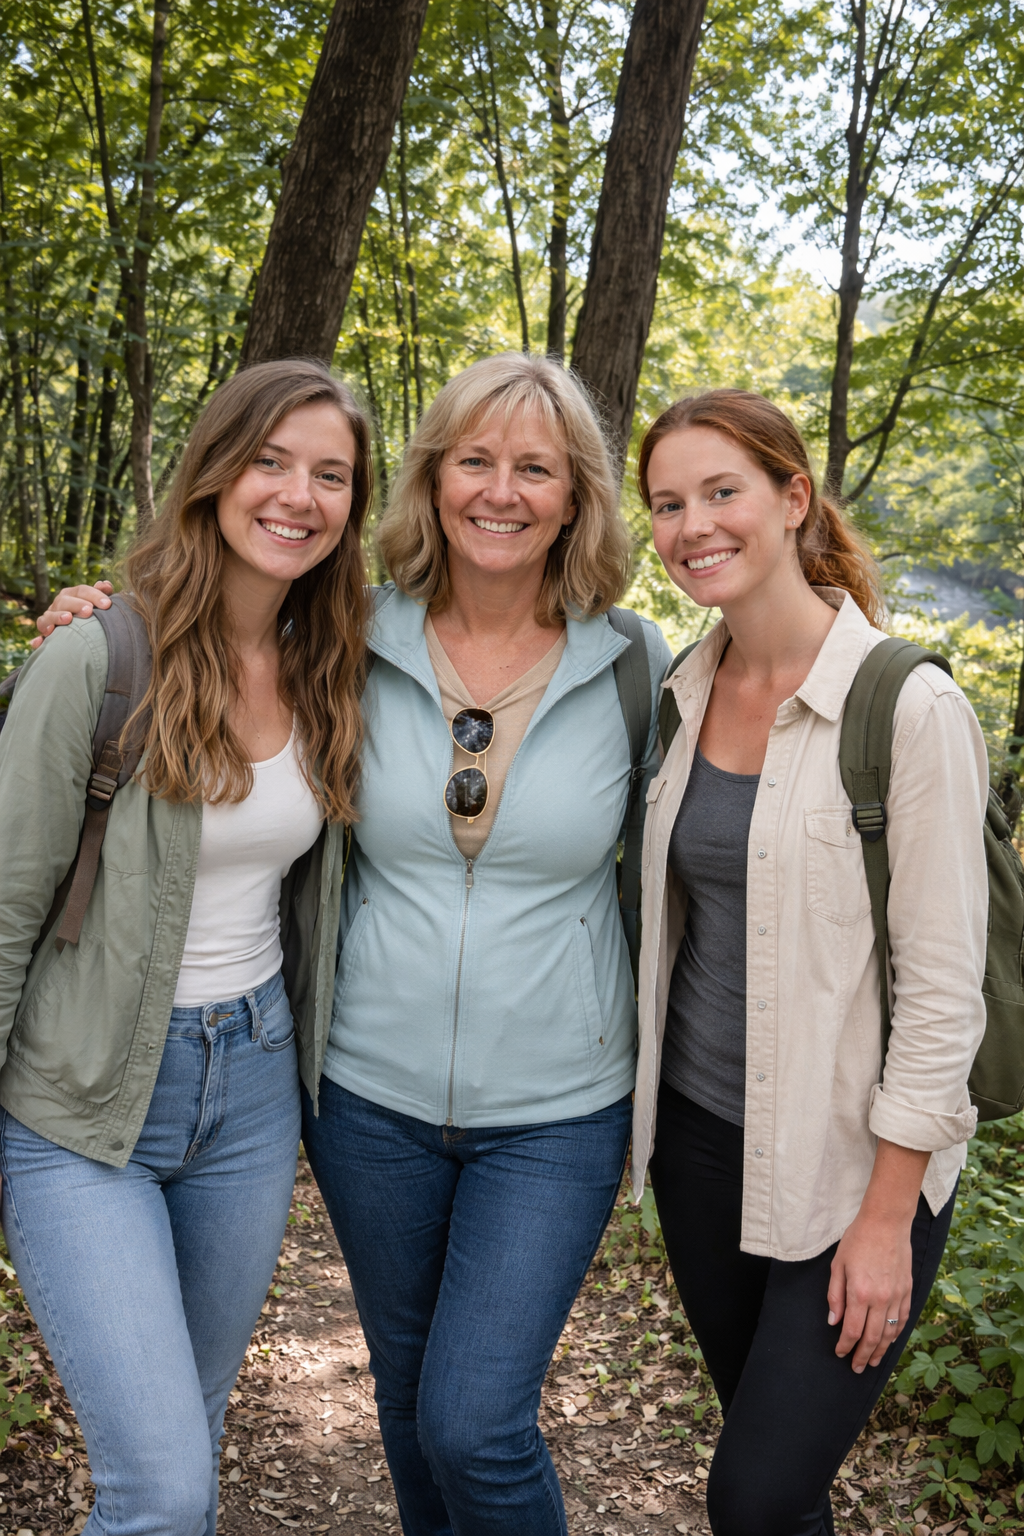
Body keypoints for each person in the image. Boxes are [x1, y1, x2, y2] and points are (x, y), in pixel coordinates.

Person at [36, 351, 670, 1536]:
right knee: (399, 1396)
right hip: (359, 1098)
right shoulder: (348, 635)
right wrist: (88, 617)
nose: (500, 490)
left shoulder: (636, 666)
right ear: (431, 483)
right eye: (473, 460)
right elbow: (186, 640)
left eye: (535, 468)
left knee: (474, 1419)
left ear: (575, 495)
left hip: (552, 1104)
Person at [0, 358, 372, 1536]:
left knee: (192, 1439)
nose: (297, 495)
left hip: (253, 1095)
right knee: (157, 1489)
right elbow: (6, 909)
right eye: (270, 461)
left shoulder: (332, 665)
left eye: (331, 475)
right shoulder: (97, 660)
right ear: (215, 472)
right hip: (83, 1099)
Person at [632, 389, 988, 1536]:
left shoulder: (907, 704)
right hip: (697, 1143)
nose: (693, 526)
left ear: (793, 499)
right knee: (779, 1490)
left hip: (853, 1167)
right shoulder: (679, 694)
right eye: (668, 504)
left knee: (754, 1493)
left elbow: (944, 997)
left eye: (721, 492)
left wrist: (887, 1220)